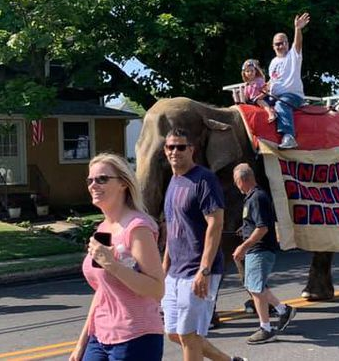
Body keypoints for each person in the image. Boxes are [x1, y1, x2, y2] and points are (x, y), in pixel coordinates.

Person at [160, 128, 247, 361]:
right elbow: (173, 227)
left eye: (180, 147)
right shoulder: (174, 181)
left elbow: (215, 224)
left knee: (189, 335)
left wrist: (204, 269)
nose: (175, 151)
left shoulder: (204, 179)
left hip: (198, 269)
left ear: (192, 150)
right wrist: (164, 264)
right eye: (170, 147)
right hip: (175, 271)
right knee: (173, 333)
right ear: (165, 150)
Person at [70, 153, 165, 361]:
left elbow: (157, 289)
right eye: (90, 180)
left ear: (123, 183)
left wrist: (112, 265)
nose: (93, 185)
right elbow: (102, 291)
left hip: (136, 337)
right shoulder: (103, 229)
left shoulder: (137, 227)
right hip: (100, 335)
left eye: (102, 179)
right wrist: (81, 344)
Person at [232, 163, 296, 345]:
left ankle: (266, 329)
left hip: (259, 250)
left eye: (236, 182)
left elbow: (262, 228)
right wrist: (244, 229)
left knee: (255, 289)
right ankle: (283, 311)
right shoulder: (254, 197)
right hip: (257, 249)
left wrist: (243, 246)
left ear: (241, 180)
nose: (237, 186)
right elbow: (257, 223)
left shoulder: (256, 198)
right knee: (256, 286)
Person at [268, 13, 311, 149]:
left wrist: (297, 29)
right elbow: (273, 80)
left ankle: (289, 136)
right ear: (273, 46)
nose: (280, 46)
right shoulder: (273, 62)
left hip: (291, 97)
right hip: (273, 96)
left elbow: (297, 44)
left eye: (282, 43)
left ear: (287, 44)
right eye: (277, 44)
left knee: (281, 105)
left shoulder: (293, 56)